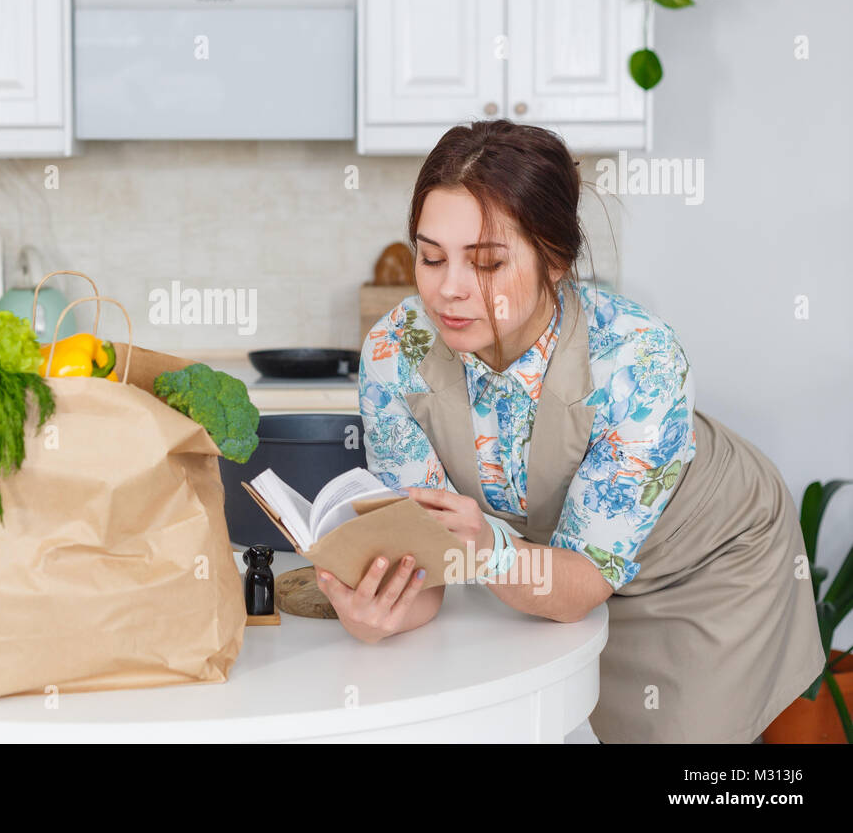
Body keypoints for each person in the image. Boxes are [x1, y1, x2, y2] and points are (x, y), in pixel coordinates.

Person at [319, 119, 825, 743]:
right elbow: (430, 566)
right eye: (431, 257)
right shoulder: (394, 353)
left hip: (701, 562)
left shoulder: (638, 359)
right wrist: (377, 614)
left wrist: (489, 552)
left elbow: (580, 581)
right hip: (548, 567)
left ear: (554, 260)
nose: (449, 289)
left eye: (487, 262)